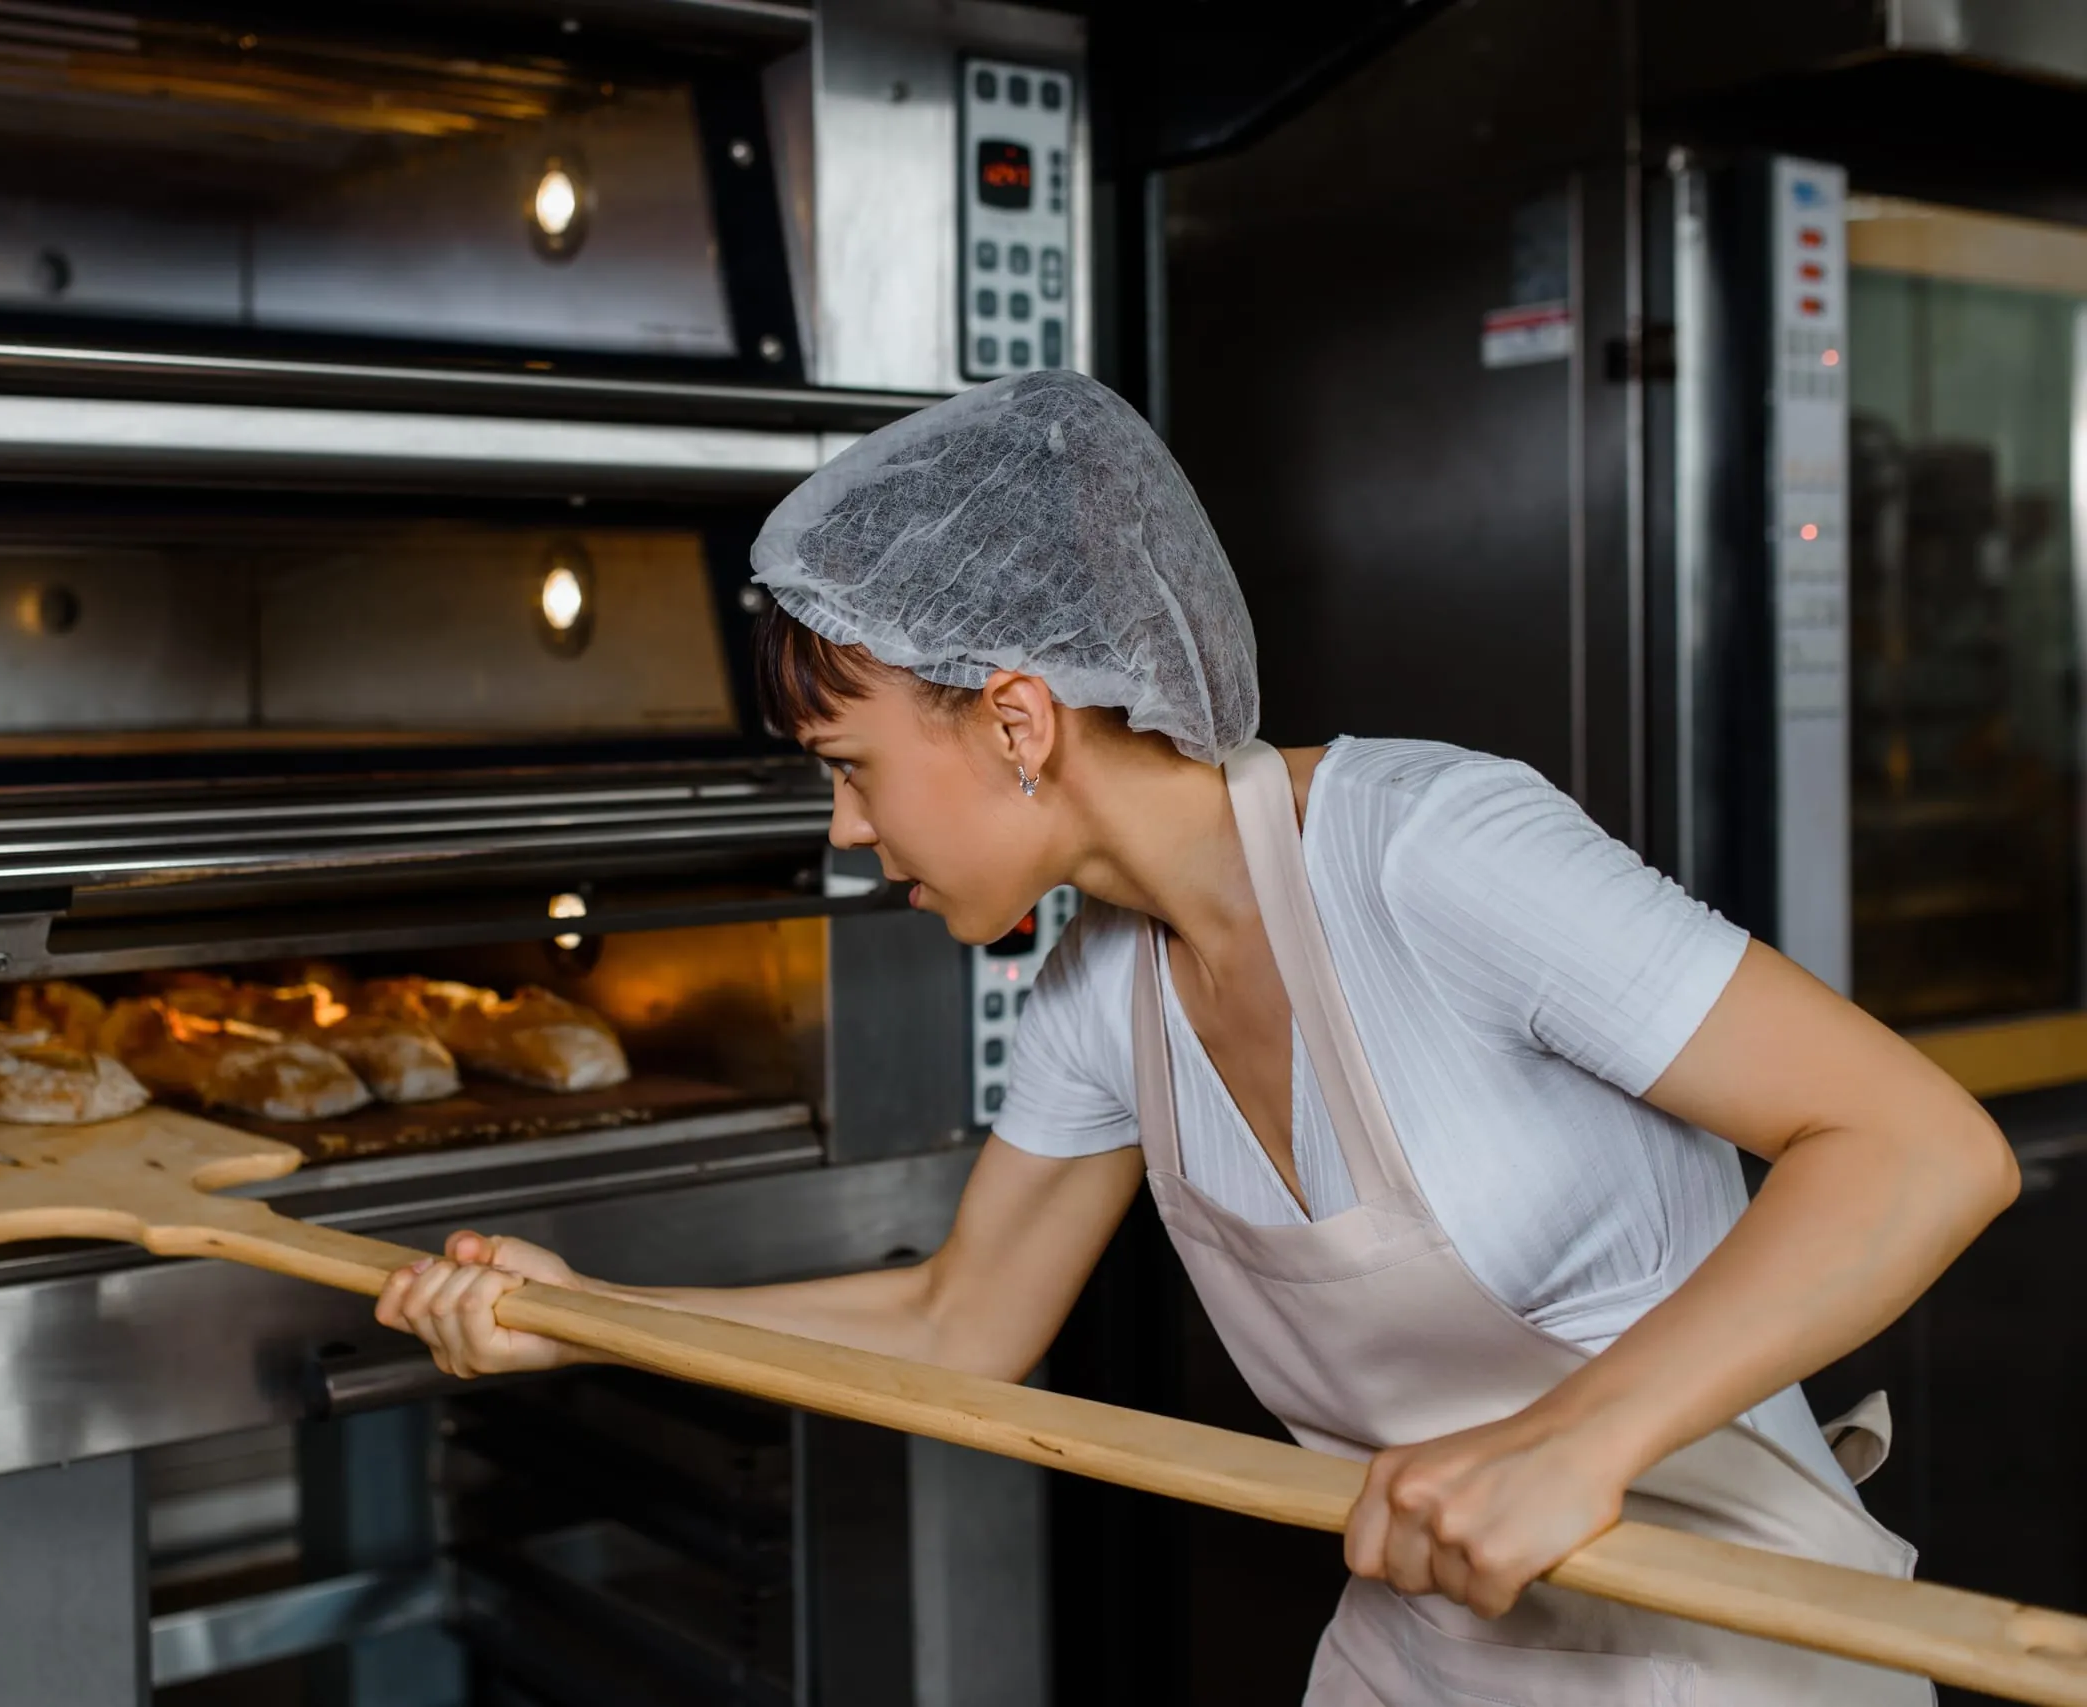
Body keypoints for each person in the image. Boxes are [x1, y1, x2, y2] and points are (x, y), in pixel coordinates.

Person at [377, 370, 2015, 1701]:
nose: (848, 831)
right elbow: (960, 1321)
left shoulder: (1428, 848)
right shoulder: (1104, 990)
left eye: (850, 765)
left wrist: (1575, 1439)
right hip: (1439, 1655)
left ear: (1015, 717)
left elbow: (1922, 1148)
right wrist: (587, 1320)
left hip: (1735, 1649)